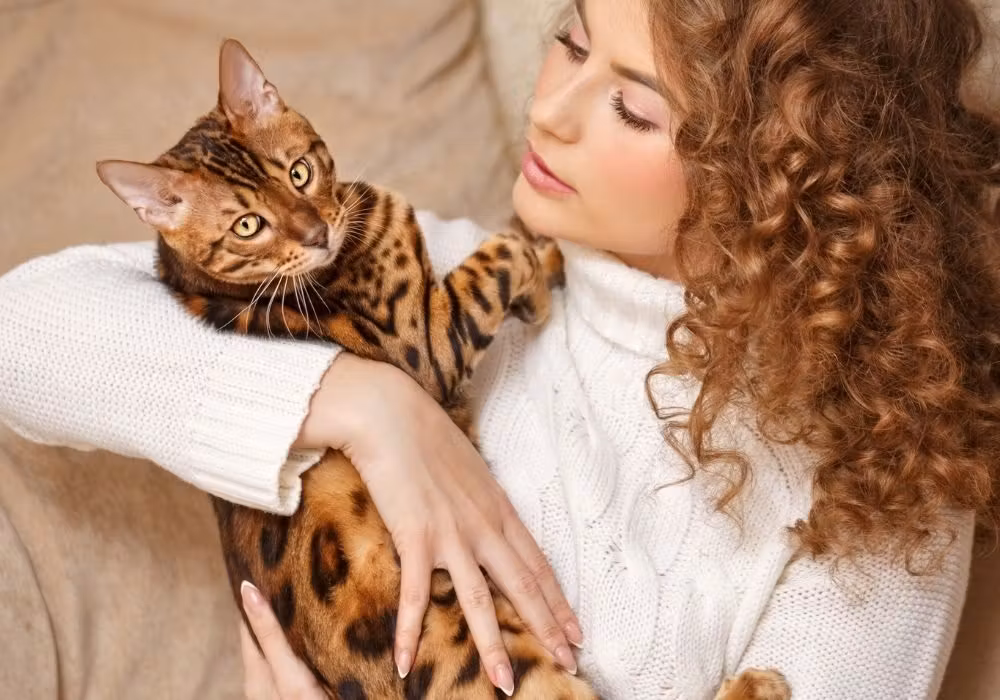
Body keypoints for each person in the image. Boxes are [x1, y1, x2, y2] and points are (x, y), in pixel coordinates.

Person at [1, 0, 998, 697]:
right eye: (570, 42)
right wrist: (361, 402)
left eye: (632, 107)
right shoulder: (466, 281)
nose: (548, 112)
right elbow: (25, 332)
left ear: (779, 181)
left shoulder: (885, 484)